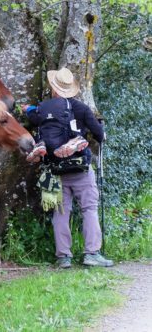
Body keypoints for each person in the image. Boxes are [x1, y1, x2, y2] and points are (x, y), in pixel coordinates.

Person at [22, 67, 113, 269]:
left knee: (60, 213)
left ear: (53, 87)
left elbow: (33, 118)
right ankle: (92, 253)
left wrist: (27, 109)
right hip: (80, 168)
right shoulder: (81, 108)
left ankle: (63, 257)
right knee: (89, 209)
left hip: (54, 171)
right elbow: (100, 135)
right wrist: (98, 129)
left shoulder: (43, 108)